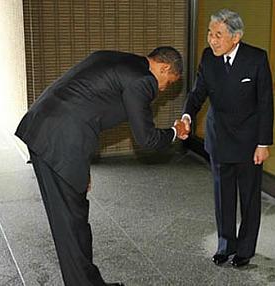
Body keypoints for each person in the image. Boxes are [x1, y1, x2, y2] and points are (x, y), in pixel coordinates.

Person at [15, 47, 185, 286]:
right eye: (167, 83)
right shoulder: (143, 81)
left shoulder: (119, 58)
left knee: (72, 221)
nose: (163, 89)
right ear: (164, 67)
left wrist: (80, 164)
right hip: (60, 143)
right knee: (71, 225)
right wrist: (176, 132)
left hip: (46, 130)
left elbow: (84, 104)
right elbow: (147, 139)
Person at [180, 9, 274, 268]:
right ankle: (225, 244)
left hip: (248, 142)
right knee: (223, 197)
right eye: (210, 34)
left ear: (236, 37)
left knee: (249, 198)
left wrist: (263, 143)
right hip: (219, 138)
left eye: (218, 35)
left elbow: (266, 103)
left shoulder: (256, 59)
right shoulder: (209, 58)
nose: (212, 40)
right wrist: (187, 115)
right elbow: (198, 92)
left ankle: (245, 249)